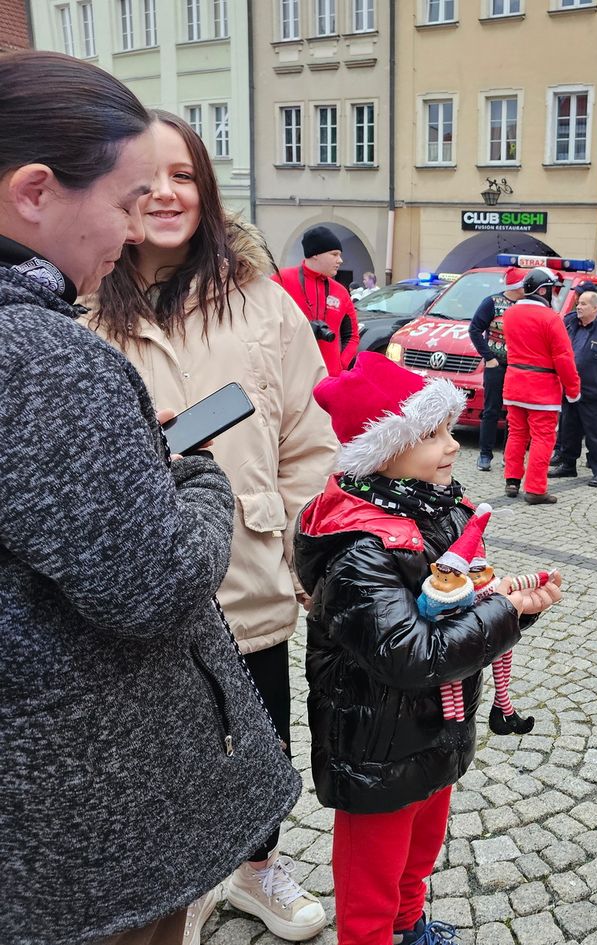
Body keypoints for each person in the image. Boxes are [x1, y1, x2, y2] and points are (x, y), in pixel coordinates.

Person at [0, 51, 300, 945]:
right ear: (36, 192)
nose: (136, 228)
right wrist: (191, 472)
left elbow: (307, 439)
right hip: (86, 809)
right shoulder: (48, 350)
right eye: (127, 200)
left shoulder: (260, 303)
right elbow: (156, 583)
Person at [88, 111, 338, 942]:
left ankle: (257, 869)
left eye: (184, 175)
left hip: (248, 569)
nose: (164, 192)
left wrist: (303, 551)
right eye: (145, 177)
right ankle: (160, 894)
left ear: (207, 188)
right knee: (144, 757)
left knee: (258, 742)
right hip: (131, 583)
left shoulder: (264, 305)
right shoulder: (79, 303)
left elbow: (310, 442)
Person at [296, 352, 562, 945]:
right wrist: (504, 612)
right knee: (374, 869)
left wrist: (506, 599)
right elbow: (409, 653)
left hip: (434, 726)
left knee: (420, 849)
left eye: (448, 430)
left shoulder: (432, 509)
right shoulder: (360, 546)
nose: (452, 446)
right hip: (377, 740)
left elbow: (454, 602)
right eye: (432, 434)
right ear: (383, 448)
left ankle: (410, 927)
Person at [501, 267, 581, 505]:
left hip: (514, 383)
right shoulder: (550, 319)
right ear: (543, 290)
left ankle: (512, 480)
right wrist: (574, 390)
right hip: (542, 388)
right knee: (542, 438)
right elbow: (564, 358)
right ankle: (535, 489)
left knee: (516, 433)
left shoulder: (510, 314)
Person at [551, 289, 597, 487]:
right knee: (568, 430)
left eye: (583, 304)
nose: (578, 306)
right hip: (570, 391)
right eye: (578, 303)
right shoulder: (571, 326)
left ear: (595, 307)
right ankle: (568, 464)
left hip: (594, 394)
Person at [274, 225, 360, 377]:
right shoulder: (280, 281)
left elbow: (352, 335)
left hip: (329, 379)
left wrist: (340, 365)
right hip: (290, 376)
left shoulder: (340, 291)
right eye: (334, 254)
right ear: (315, 254)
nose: (340, 260)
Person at [468, 267, 527, 471]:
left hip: (518, 366)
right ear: (516, 286)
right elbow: (475, 329)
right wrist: (489, 357)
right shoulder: (492, 302)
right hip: (497, 365)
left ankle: (510, 455)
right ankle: (485, 455)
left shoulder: (525, 304)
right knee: (491, 410)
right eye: (524, 284)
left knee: (515, 412)